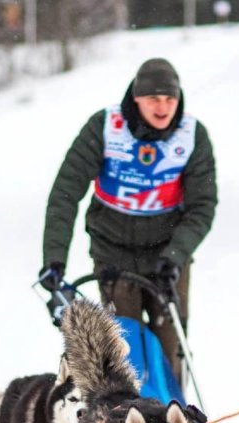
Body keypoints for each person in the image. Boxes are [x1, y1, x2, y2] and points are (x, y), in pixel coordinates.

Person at [39, 57, 217, 386]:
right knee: (123, 349)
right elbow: (65, 193)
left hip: (168, 257)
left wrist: (175, 255)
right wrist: (54, 260)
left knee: (170, 346)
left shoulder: (192, 136)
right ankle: (125, 421)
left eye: (170, 99)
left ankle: (174, 416)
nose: (162, 108)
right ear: (136, 98)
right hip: (114, 255)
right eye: (153, 99)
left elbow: (202, 206)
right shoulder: (105, 128)